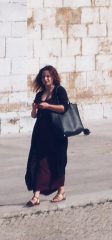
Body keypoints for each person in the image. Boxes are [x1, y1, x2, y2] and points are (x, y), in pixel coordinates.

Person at [25, 65, 69, 206]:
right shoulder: (39, 94)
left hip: (57, 134)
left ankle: (61, 192)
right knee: (39, 163)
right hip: (41, 134)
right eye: (43, 76)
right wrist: (34, 109)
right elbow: (34, 116)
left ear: (53, 76)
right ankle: (36, 196)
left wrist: (48, 106)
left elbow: (64, 107)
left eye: (48, 76)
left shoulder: (59, 91)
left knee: (57, 162)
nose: (46, 78)